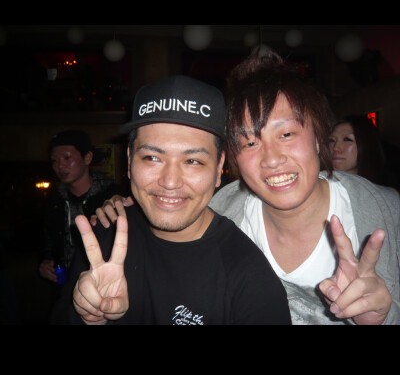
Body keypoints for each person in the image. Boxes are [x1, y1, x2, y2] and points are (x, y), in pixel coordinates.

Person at [95, 49, 400, 325]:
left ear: (319, 138)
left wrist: (384, 318)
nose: (272, 159)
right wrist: (128, 208)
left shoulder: (388, 211)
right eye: (250, 142)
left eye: (286, 135)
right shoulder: (224, 211)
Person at [51, 75, 292, 325]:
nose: (170, 182)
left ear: (219, 167)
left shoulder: (250, 279)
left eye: (193, 161)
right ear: (130, 160)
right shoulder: (103, 236)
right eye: (152, 158)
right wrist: (89, 317)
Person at [39, 130, 122, 290]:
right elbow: (48, 240)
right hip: (64, 285)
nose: (60, 166)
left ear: (87, 158)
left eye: (67, 158)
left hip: (103, 282)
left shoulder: (111, 197)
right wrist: (46, 262)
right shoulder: (54, 200)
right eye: (54, 160)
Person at [328, 114, 390, 185]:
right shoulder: (322, 182)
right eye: (332, 140)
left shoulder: (384, 189)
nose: (335, 148)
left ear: (365, 144)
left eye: (347, 139)